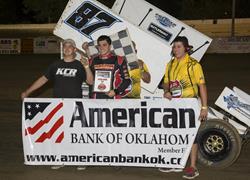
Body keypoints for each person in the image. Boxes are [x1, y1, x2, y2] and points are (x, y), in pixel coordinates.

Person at [161, 36, 208, 179]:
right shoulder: (170, 64)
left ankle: (193, 167)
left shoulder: (194, 65)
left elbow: (202, 86)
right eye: (174, 46)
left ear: (186, 48)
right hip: (174, 104)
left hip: (190, 104)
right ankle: (176, 162)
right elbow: (165, 82)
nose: (176, 49)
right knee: (175, 134)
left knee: (191, 136)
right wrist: (166, 91)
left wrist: (204, 107)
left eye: (179, 46)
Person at [21, 39, 93, 100]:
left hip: (74, 102)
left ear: (74, 50)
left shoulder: (80, 65)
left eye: (70, 46)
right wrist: (27, 92)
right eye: (65, 46)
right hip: (58, 103)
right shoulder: (55, 64)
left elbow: (90, 82)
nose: (67, 48)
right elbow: (43, 79)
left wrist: (86, 67)